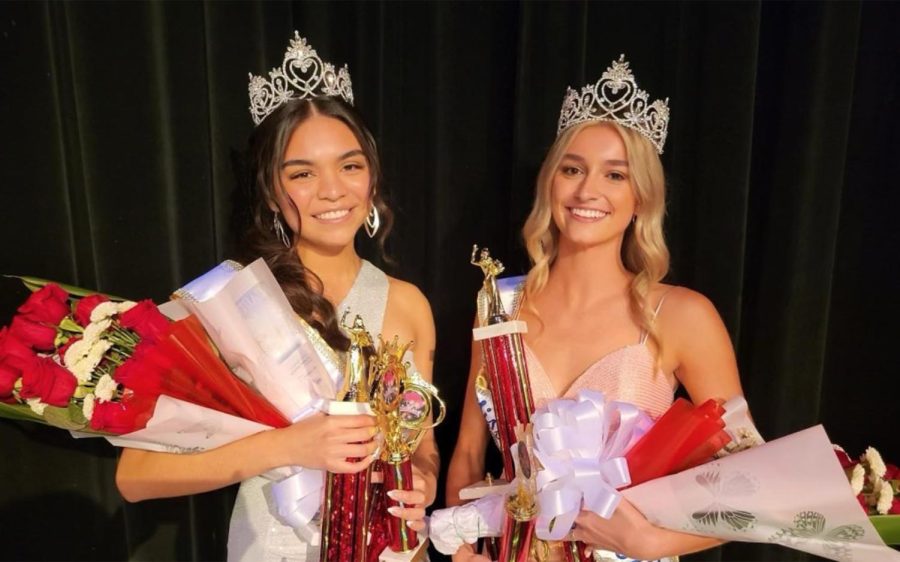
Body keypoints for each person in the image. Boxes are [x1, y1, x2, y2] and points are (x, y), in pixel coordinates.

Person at [115, 33, 439, 562]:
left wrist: (423, 478)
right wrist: (288, 447)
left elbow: (420, 441)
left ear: (372, 177)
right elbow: (137, 477)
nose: (332, 190)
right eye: (302, 174)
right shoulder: (231, 303)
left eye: (350, 166)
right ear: (269, 191)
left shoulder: (409, 304)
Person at [444, 55, 746, 561]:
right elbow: (470, 453)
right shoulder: (498, 302)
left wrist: (654, 542)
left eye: (615, 175)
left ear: (641, 199)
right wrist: (459, 549)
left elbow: (749, 480)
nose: (588, 191)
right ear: (550, 181)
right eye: (573, 169)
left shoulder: (681, 315)